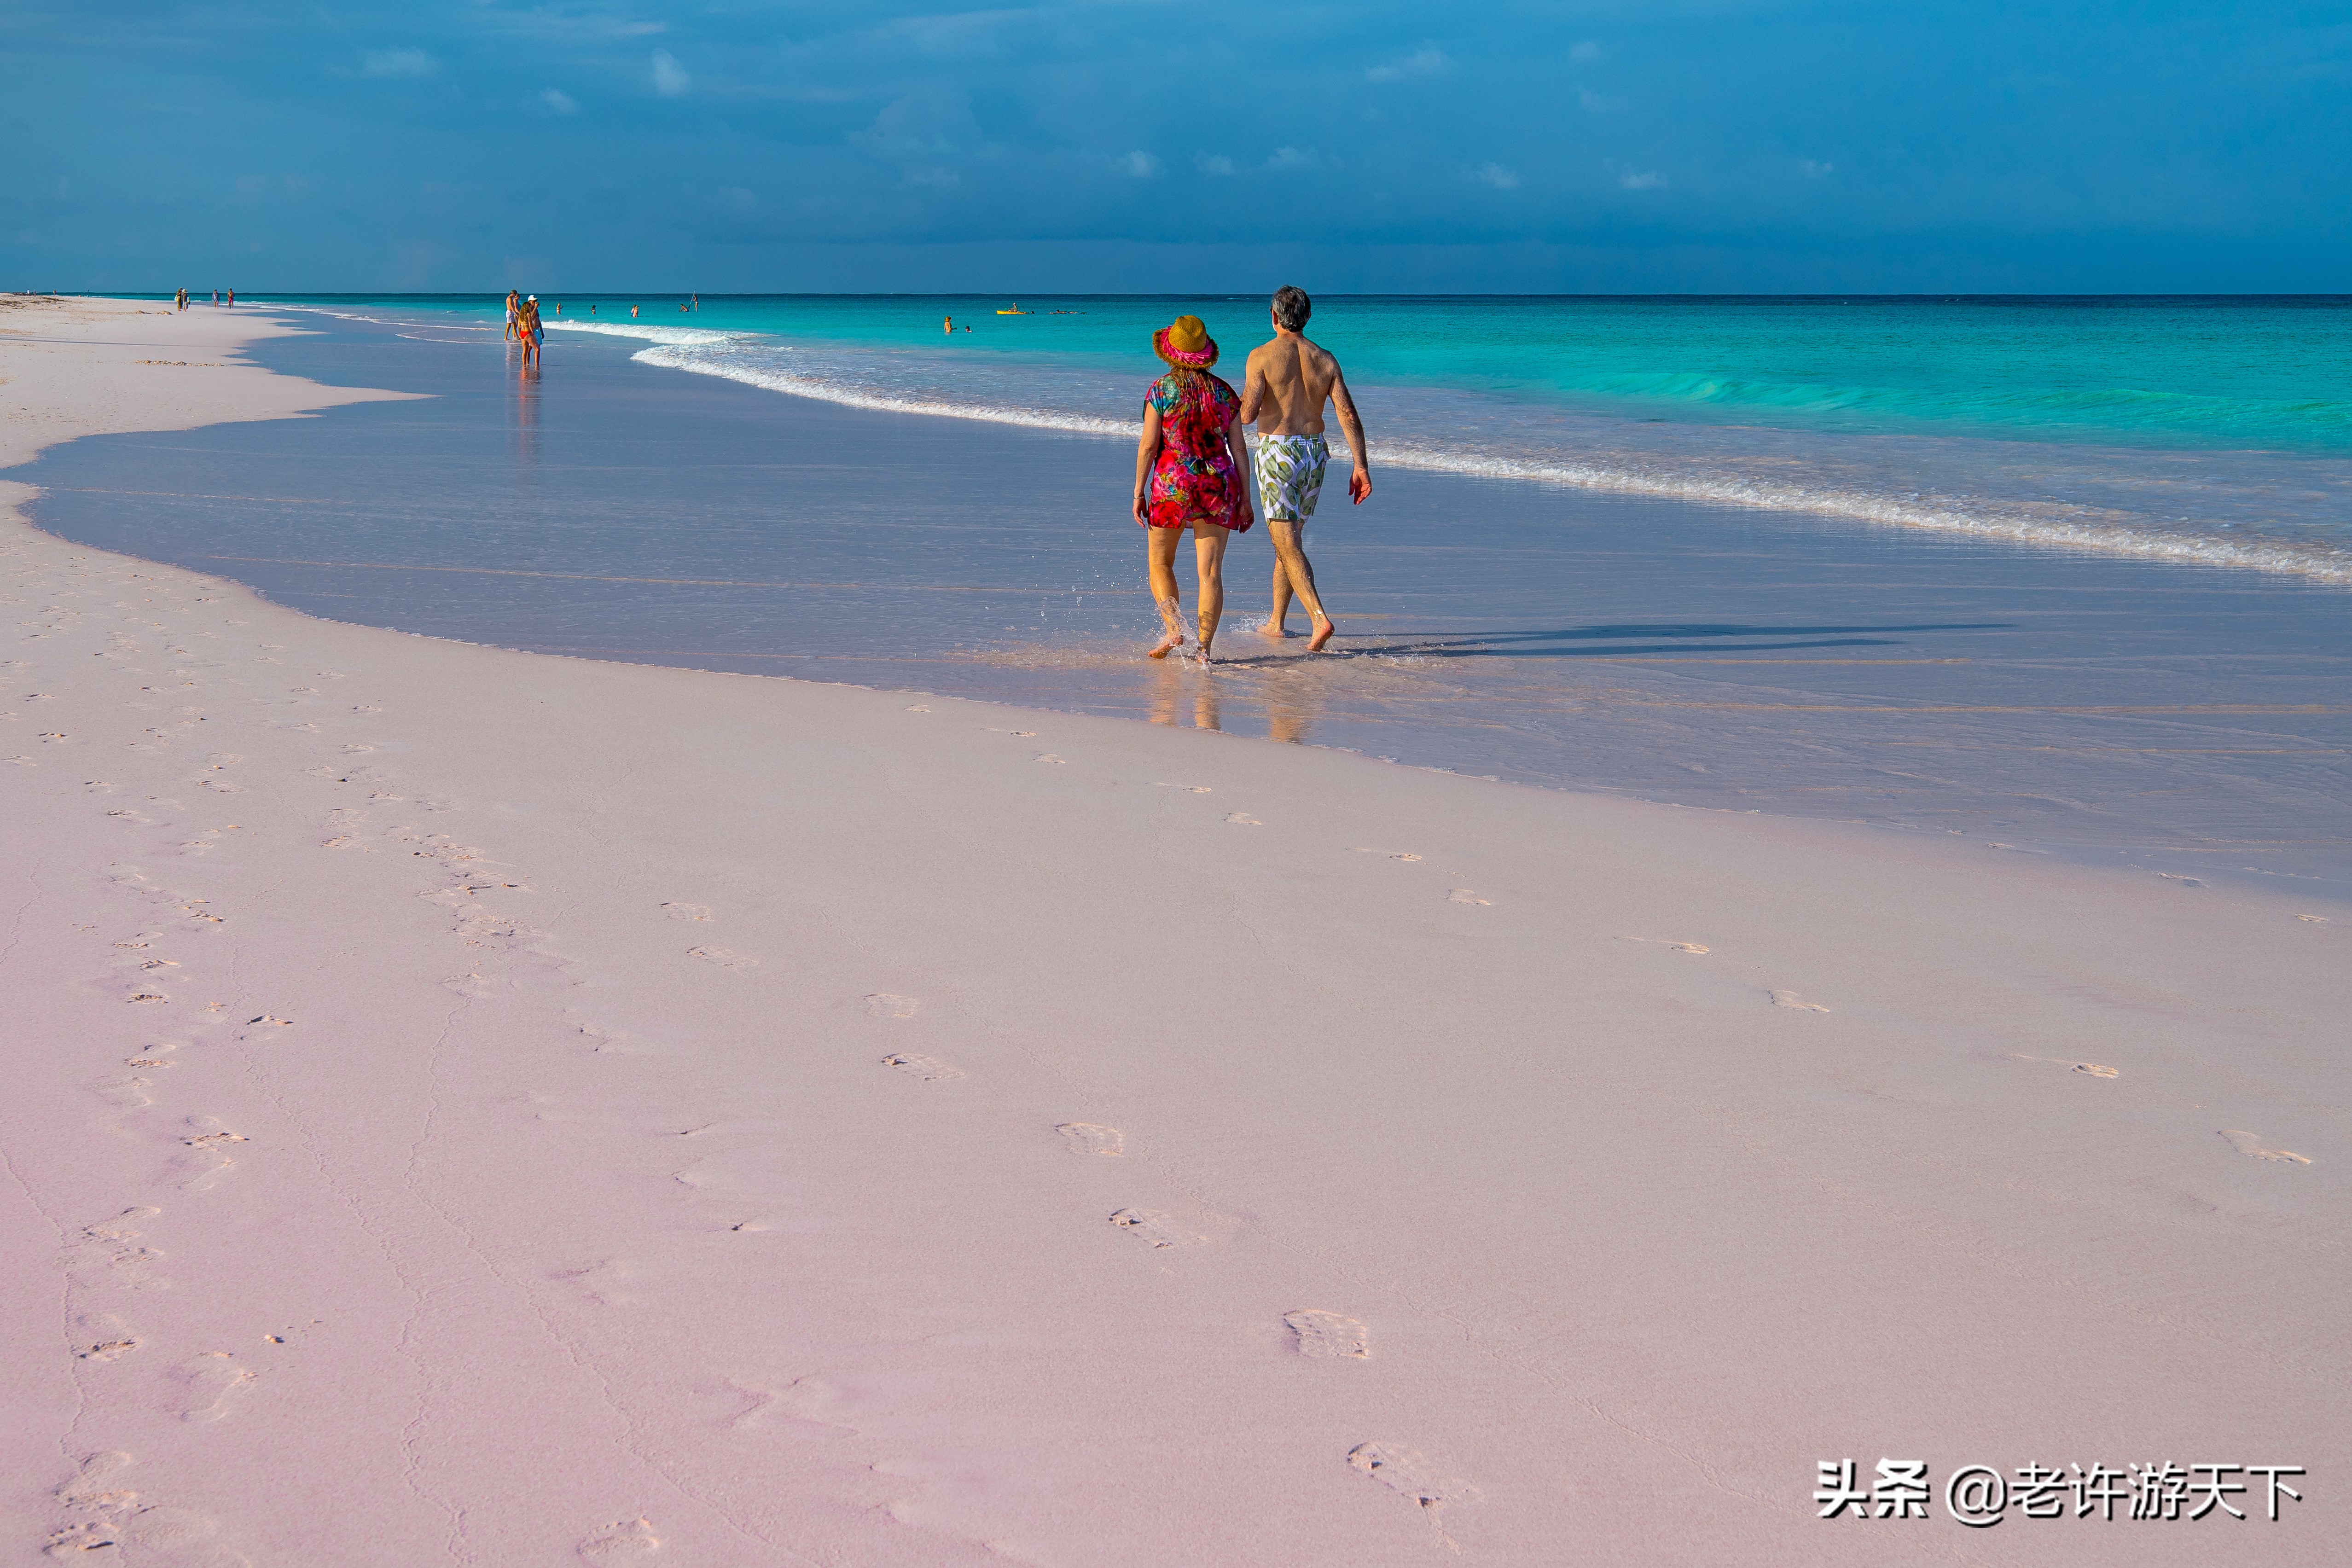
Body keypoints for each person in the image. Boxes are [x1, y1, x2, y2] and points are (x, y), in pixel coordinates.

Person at [1239, 285, 1371, 652]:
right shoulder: (1325, 359)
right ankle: (1276, 623)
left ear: (1273, 316)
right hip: (1314, 453)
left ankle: (1318, 618)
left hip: (1278, 451)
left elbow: (1248, 415)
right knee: (1289, 539)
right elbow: (1347, 414)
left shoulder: (1261, 356)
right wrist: (1360, 465)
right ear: (1308, 317)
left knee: (1286, 541)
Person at [1132, 314, 1254, 662]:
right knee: (1211, 572)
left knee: (1160, 562)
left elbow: (1147, 447)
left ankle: (1173, 629)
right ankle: (1204, 649)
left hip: (1172, 485)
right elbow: (1239, 449)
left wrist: (1138, 493)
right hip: (1218, 485)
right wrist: (1246, 498)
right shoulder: (1224, 392)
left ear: (1169, 353)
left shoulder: (1160, 391)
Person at [517, 295, 544, 369]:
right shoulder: (528, 311)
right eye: (534, 301)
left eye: (535, 301)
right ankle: (531, 365)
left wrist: (541, 331)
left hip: (532, 331)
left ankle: (529, 365)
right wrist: (535, 308)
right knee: (533, 349)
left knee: (530, 349)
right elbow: (530, 320)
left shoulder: (524, 313)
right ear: (530, 302)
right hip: (529, 332)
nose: (535, 303)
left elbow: (538, 320)